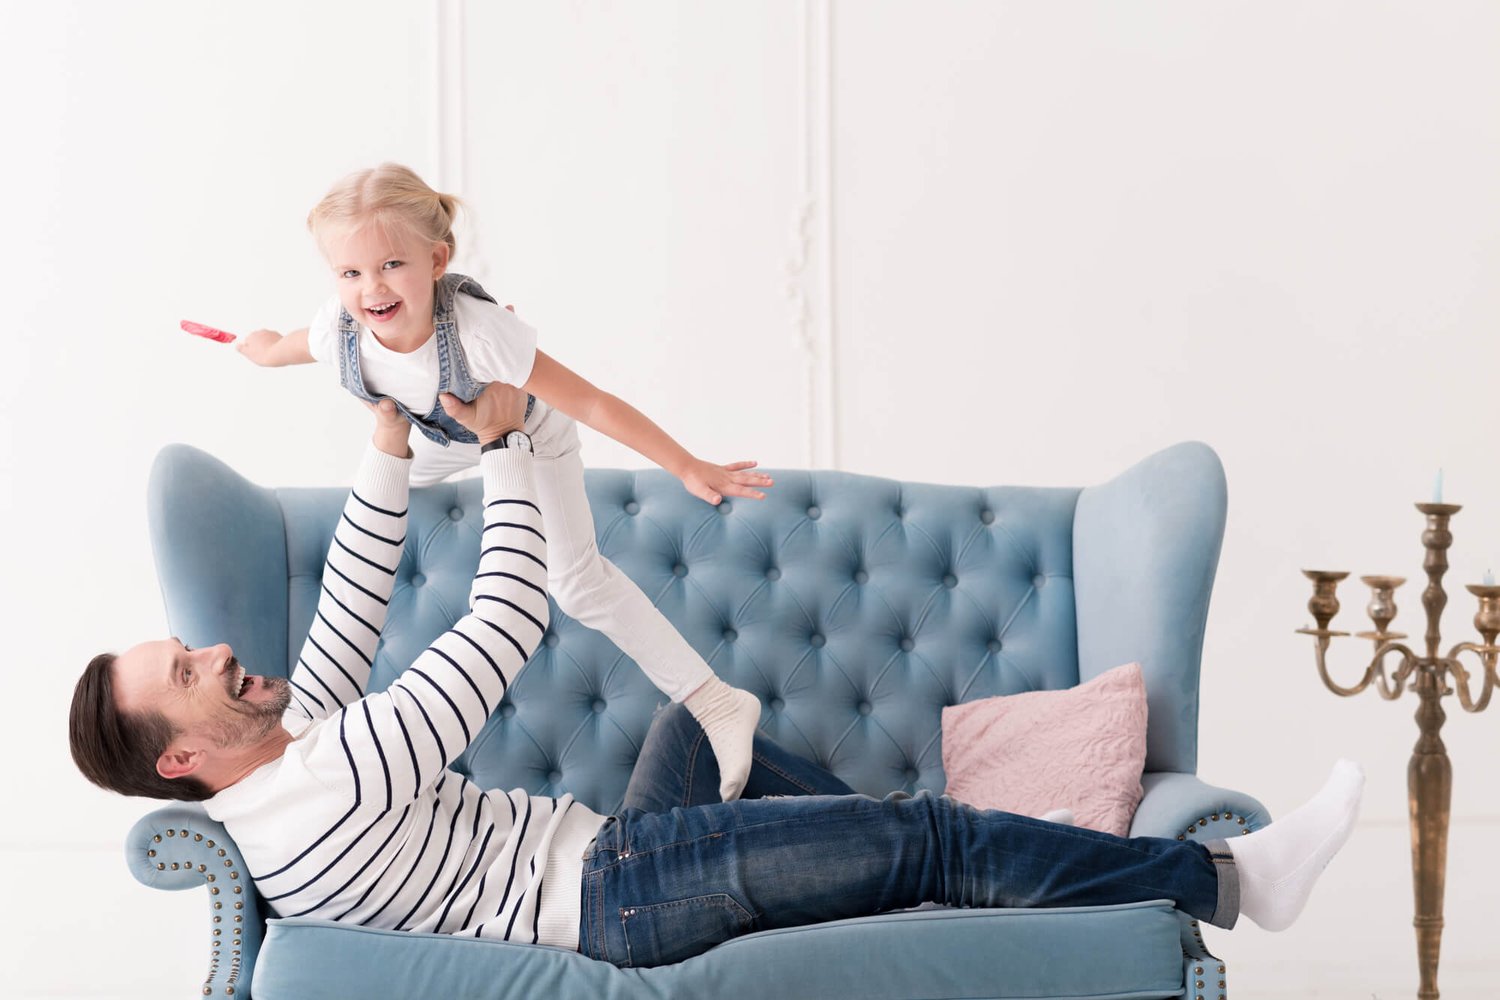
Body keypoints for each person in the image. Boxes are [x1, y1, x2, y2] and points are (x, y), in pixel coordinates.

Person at [70, 382, 1363, 968]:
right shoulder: (335, 779)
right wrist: (508, 447)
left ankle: (922, 871)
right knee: (930, 835)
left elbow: (352, 598)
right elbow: (507, 619)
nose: (218, 653)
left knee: (705, 726)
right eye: (187, 669)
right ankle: (1230, 880)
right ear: (180, 754)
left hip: (611, 853)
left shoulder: (282, 769)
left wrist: (386, 437)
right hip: (625, 898)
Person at [225, 163, 767, 800]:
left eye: (391, 264)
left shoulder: (481, 334)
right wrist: (262, 349)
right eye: (350, 273)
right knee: (371, 502)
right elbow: (296, 344)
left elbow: (592, 402)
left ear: (437, 259)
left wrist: (687, 465)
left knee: (577, 585)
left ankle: (717, 701)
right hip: (442, 440)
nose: (371, 288)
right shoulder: (341, 328)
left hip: (529, 441)